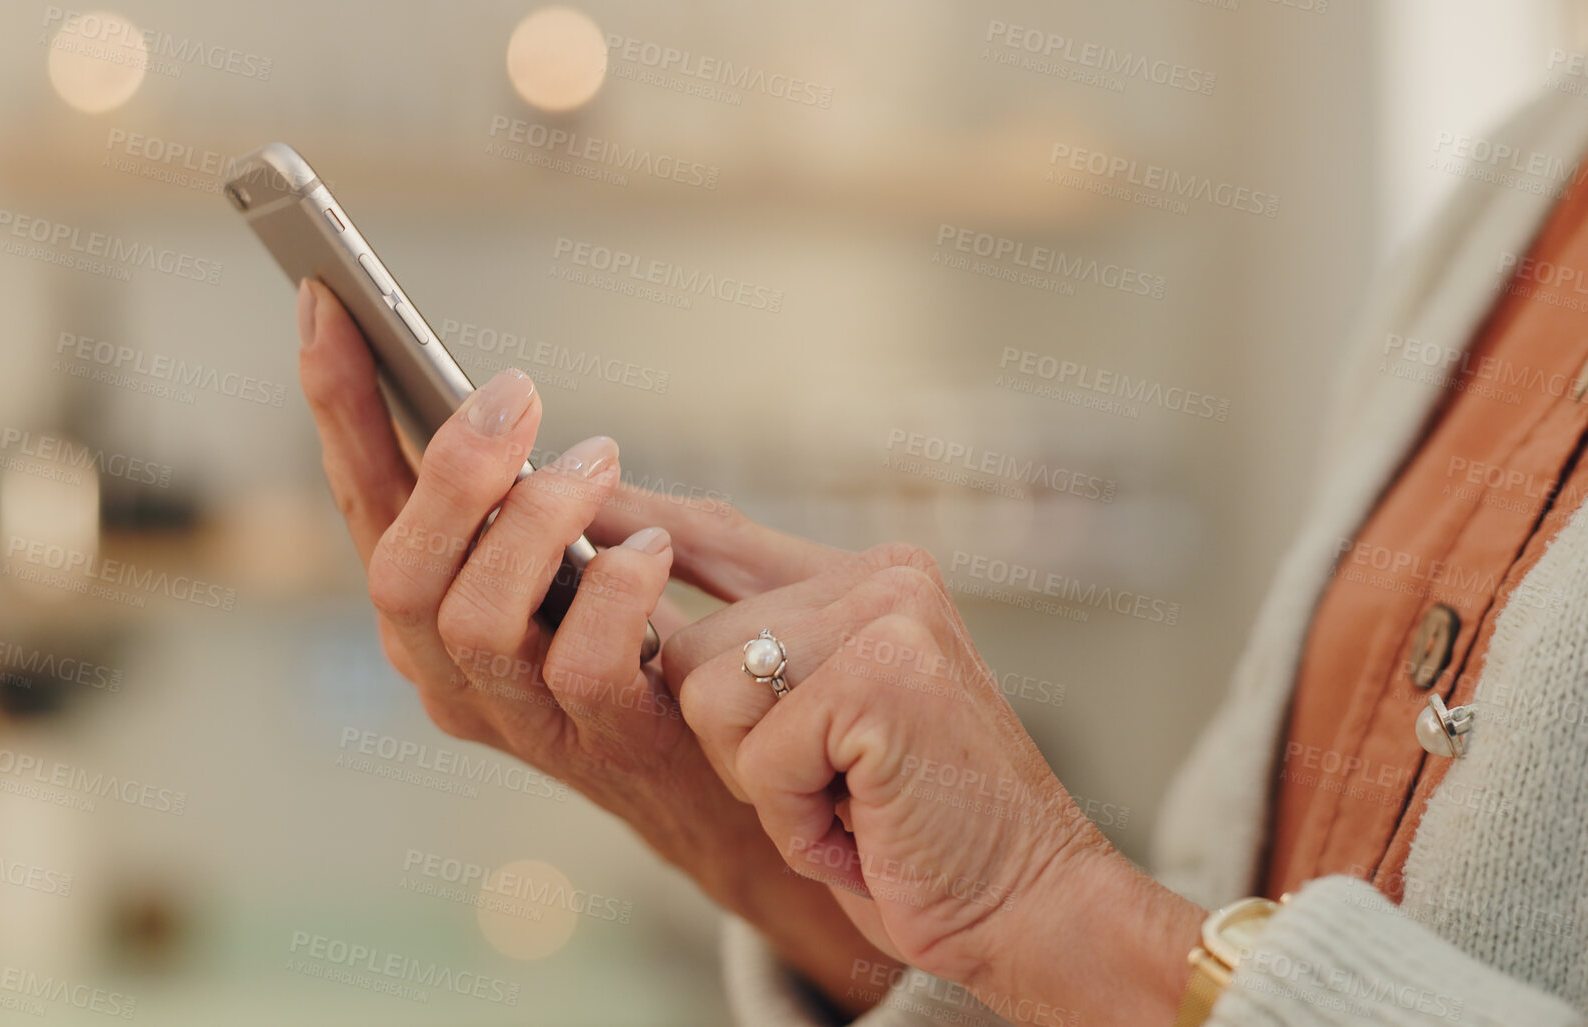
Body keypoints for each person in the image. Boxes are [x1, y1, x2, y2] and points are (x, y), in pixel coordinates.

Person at [290, 89, 1588, 1026]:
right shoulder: (1519, 181)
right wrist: (753, 846)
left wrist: (1054, 902)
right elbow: (1169, 955)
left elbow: (1129, 960)